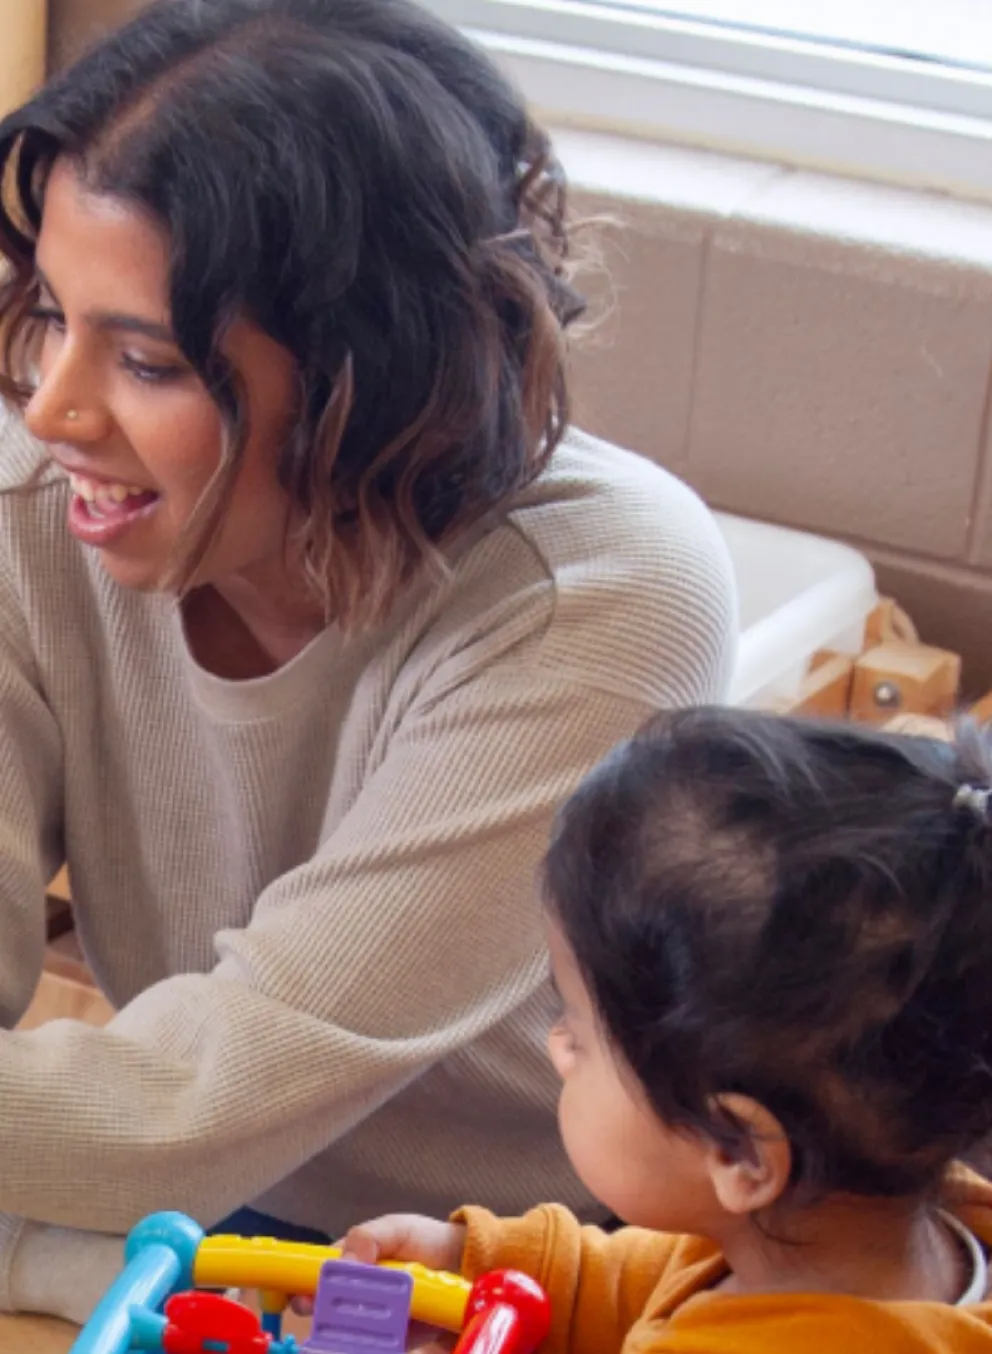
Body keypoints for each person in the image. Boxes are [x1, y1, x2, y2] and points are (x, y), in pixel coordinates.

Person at [0, 0, 736, 1325]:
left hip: (549, 1264)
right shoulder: (25, 512)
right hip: (170, 1207)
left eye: (148, 357)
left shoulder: (607, 592)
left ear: (380, 372)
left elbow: (199, 1099)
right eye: (52, 312)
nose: (52, 402)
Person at [340, 709, 992, 1350]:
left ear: (739, 1152)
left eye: (582, 1035)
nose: (557, 1047)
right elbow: (646, 1281)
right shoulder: (889, 1238)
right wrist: (477, 1261)